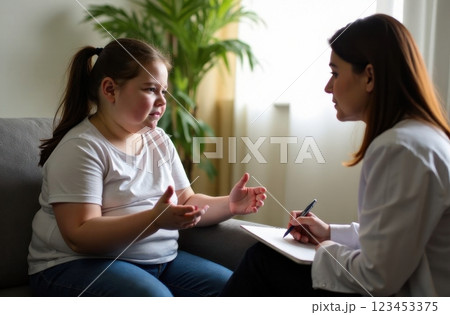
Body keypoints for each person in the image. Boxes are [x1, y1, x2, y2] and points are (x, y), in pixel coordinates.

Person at [221, 13, 450, 297]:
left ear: (369, 76)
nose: (328, 87)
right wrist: (329, 232)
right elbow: (395, 237)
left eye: (335, 73)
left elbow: (375, 277)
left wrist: (324, 249)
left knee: (262, 262)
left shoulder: (398, 149)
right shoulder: (424, 137)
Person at [27, 38, 267, 297]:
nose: (163, 101)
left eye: (163, 91)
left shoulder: (159, 140)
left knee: (235, 289)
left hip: (160, 261)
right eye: (151, 89)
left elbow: (187, 200)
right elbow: (79, 235)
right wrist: (153, 220)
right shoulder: (82, 148)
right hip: (75, 266)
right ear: (110, 90)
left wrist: (229, 205)